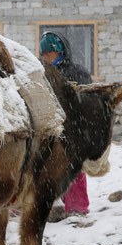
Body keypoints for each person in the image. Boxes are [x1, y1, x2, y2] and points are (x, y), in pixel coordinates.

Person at [39, 31, 91, 220]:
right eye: (43, 54)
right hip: (48, 127)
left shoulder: (77, 73)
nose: (45, 57)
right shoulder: (41, 74)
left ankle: (77, 208)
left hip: (72, 128)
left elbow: (83, 102)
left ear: (60, 51)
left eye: (48, 53)